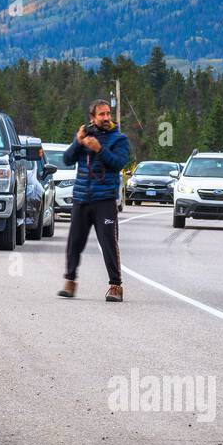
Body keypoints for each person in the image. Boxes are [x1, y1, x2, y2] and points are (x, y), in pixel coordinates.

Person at [59, 99, 130, 301]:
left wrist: (100, 149)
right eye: (102, 114)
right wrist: (77, 141)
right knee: (74, 242)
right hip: (81, 198)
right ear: (92, 117)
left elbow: (118, 163)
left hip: (105, 199)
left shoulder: (119, 139)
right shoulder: (86, 137)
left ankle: (115, 286)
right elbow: (67, 159)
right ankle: (70, 281)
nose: (106, 117)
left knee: (108, 241)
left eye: (108, 113)